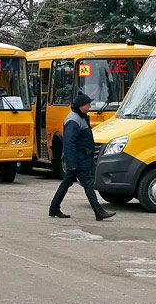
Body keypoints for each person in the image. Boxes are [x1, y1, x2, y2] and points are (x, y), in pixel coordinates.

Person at [48, 92, 115, 222]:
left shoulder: (81, 117)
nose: (90, 105)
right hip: (78, 160)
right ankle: (99, 211)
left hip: (81, 158)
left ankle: (54, 208)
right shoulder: (73, 120)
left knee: (66, 184)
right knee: (88, 184)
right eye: (88, 104)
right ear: (81, 106)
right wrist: (72, 163)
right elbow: (69, 143)